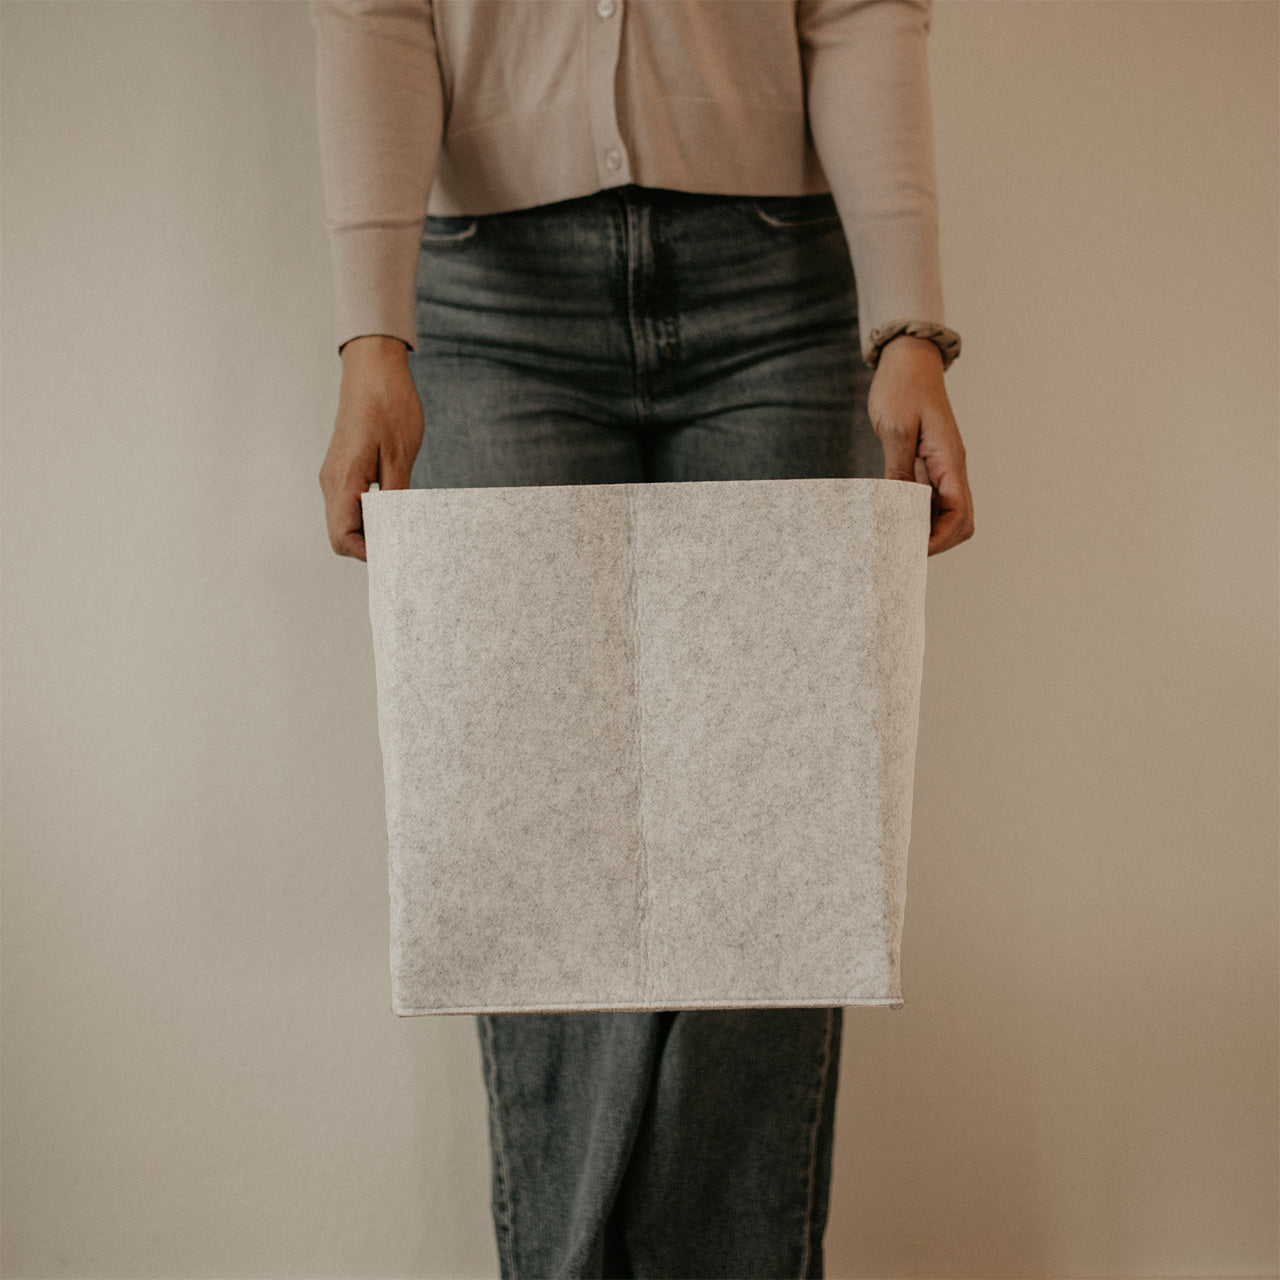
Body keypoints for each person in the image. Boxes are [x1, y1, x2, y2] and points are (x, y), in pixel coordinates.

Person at [309, 2, 974, 1275]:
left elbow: (857, 13)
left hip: (780, 296)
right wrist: (369, 334)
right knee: (541, 869)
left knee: (771, 858)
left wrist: (907, 326)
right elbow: (379, 13)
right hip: (488, 299)